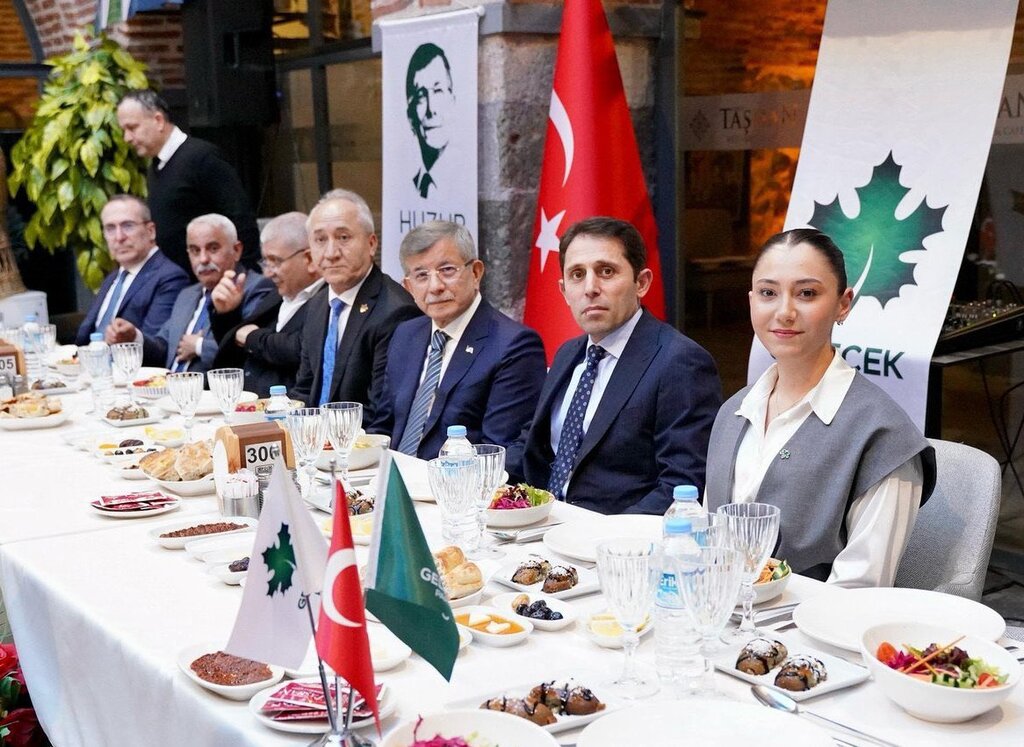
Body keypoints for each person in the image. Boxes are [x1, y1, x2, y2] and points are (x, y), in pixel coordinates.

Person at [703, 228, 936, 588]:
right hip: (721, 611)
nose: (784, 312)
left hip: (817, 620)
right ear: (751, 301)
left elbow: (859, 589)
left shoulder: (883, 437)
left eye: (807, 293)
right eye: (768, 293)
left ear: (844, 304)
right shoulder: (733, 412)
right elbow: (708, 546)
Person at [521, 217, 721, 514]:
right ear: (563, 291)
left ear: (642, 283)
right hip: (542, 523)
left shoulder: (680, 362)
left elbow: (681, 486)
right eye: (577, 274)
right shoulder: (568, 354)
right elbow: (530, 447)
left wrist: (605, 536)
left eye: (606, 271)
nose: (590, 288)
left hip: (619, 537)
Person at [368, 221, 546, 464]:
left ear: (476, 273)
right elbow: (384, 427)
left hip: (455, 482)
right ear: (408, 287)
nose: (435, 287)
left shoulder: (514, 345)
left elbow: (500, 453)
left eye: (447, 270)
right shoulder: (406, 335)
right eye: (421, 275)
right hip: (394, 477)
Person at [292, 189, 420, 416]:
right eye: (320, 240)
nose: (331, 253)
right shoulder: (318, 303)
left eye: (343, 237)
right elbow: (304, 390)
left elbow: (380, 411)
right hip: (312, 433)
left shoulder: (396, 311)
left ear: (371, 244)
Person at [116, 90, 261, 276]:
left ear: (158, 120)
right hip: (180, 283)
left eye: (132, 128)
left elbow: (240, 218)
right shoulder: (156, 166)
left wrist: (243, 277)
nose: (127, 138)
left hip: (216, 280)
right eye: (124, 130)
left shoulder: (202, 157)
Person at [108, 214, 271, 373]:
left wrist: (199, 346)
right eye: (195, 251)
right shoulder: (187, 294)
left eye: (213, 248)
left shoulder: (256, 288)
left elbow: (251, 351)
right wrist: (134, 338)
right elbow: (163, 348)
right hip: (164, 385)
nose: (203, 259)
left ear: (236, 250)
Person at [209, 212, 324, 396]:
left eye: (276, 261)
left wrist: (253, 338)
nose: (268, 273)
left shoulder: (328, 299)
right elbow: (238, 342)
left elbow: (302, 348)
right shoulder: (276, 294)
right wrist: (228, 314)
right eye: (265, 262)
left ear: (309, 259)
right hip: (239, 400)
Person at [76, 195, 189, 346]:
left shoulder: (170, 277)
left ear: (151, 231)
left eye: (128, 226)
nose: (119, 237)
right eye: (110, 228)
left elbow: (158, 347)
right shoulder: (113, 278)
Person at [406, 44, 456, 199]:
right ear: (410, 117)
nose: (431, 110)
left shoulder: (462, 183)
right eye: (421, 96)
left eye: (438, 91)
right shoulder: (409, 186)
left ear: (452, 101)